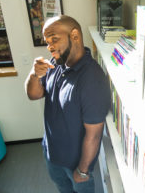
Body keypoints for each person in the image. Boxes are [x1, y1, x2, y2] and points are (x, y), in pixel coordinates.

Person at [25, 15, 111, 193]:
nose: (50, 46)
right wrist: (34, 74)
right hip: (51, 154)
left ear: (75, 36)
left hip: (76, 166)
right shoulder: (55, 64)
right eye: (47, 41)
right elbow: (34, 95)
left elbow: (94, 135)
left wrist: (83, 171)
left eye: (54, 39)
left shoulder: (92, 79)